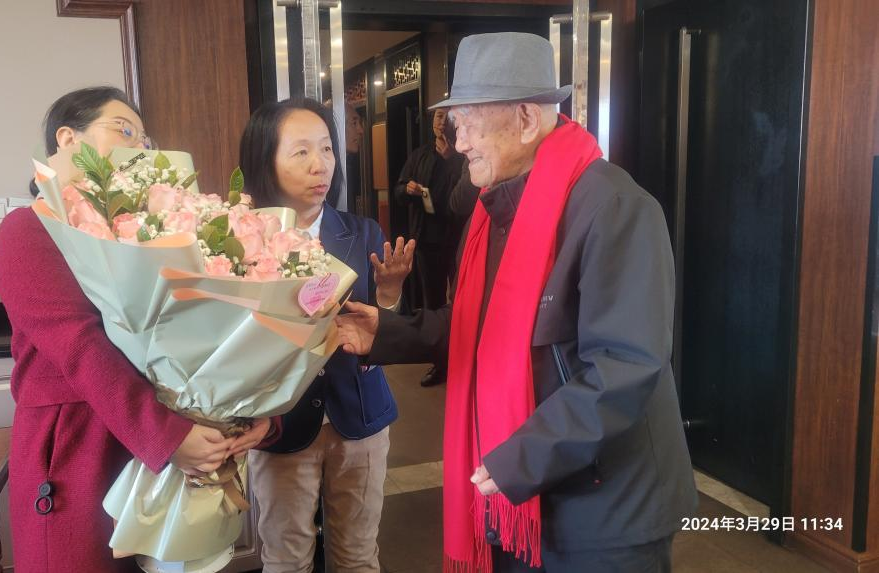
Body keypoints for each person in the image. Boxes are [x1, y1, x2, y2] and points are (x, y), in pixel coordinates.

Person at [336, 33, 698, 573]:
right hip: (518, 489)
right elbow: (483, 326)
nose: (459, 143)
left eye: (467, 123)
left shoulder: (614, 208)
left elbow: (624, 366)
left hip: (605, 508)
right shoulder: (496, 209)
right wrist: (388, 333)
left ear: (526, 118)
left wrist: (523, 456)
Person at [0, 86, 277, 572]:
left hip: (158, 445)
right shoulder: (27, 229)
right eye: (124, 130)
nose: (138, 147)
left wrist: (244, 415)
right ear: (67, 138)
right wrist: (167, 436)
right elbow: (78, 346)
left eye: (145, 140)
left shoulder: (149, 231)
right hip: (79, 450)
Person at [239, 98, 414, 573]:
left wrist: (390, 296)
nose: (321, 165)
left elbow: (381, 332)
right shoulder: (242, 242)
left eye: (327, 149)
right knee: (286, 558)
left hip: (358, 415)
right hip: (280, 424)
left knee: (357, 555)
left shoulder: (363, 232)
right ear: (265, 160)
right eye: (301, 152)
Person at [393, 108, 464, 387]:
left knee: (462, 299)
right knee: (432, 302)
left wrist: (451, 160)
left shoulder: (463, 154)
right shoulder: (419, 155)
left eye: (446, 117)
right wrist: (406, 189)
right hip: (426, 240)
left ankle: (465, 358)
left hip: (458, 240)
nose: (441, 122)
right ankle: (441, 363)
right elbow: (398, 190)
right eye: (437, 117)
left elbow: (464, 197)